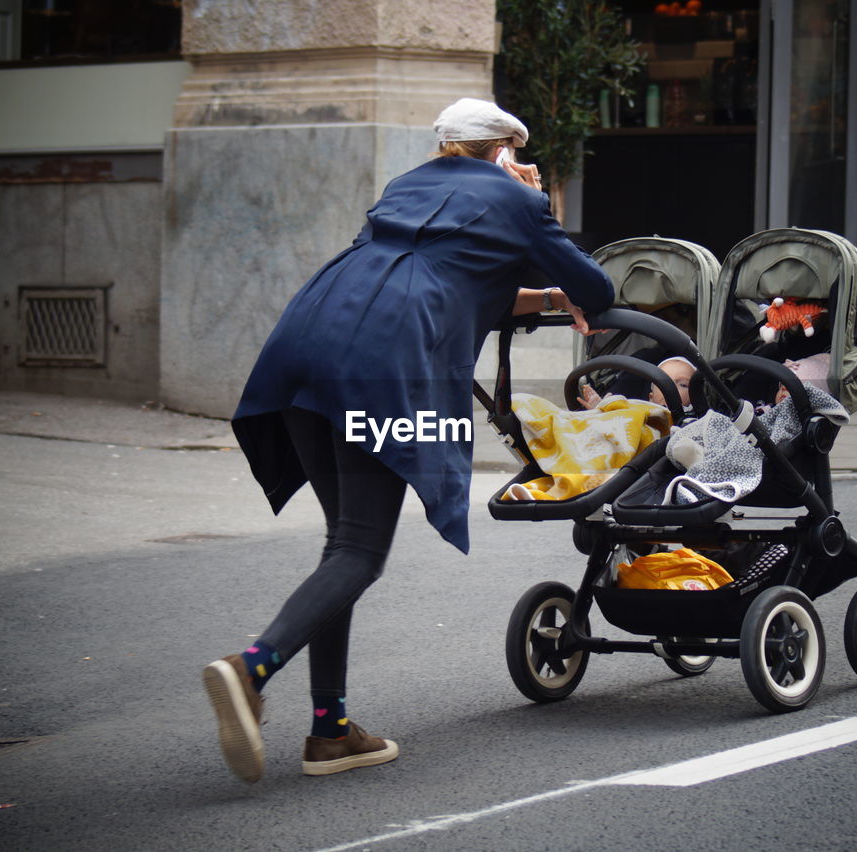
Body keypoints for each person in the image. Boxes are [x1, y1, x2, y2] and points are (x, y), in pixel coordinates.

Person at [203, 98, 614, 784]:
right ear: (505, 152)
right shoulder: (516, 200)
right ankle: (251, 669)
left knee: (344, 547)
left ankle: (330, 732)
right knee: (361, 551)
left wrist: (540, 299)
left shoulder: (407, 187)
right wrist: (536, 204)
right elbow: (595, 288)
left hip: (306, 338)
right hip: (381, 361)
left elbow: (450, 272)